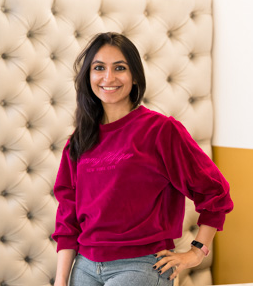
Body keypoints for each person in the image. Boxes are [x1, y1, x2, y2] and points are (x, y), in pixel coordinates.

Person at [52, 32, 233, 286]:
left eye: (120, 68)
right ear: (88, 76)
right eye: (99, 68)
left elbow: (216, 192)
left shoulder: (161, 131)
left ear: (135, 76)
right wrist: (61, 280)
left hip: (140, 266)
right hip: (84, 266)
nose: (108, 77)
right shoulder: (79, 141)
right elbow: (67, 218)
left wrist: (195, 252)